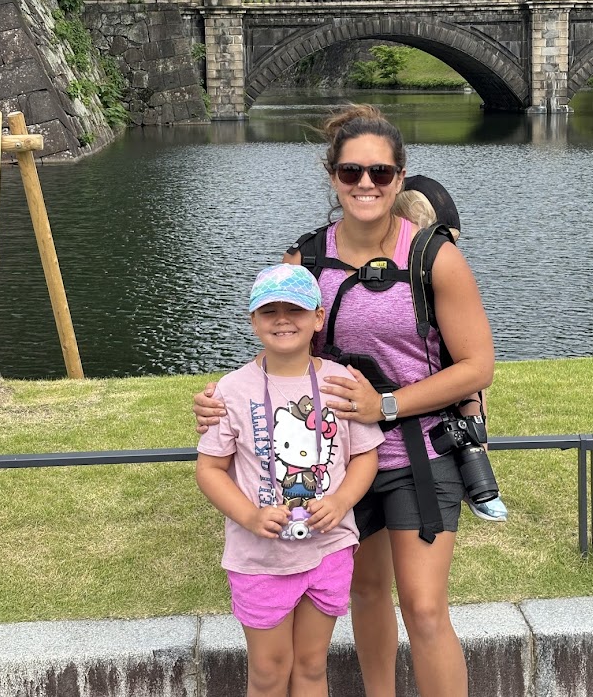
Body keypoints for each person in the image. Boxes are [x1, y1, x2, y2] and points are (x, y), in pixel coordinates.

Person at [194, 104, 495, 697]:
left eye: (380, 173)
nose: (366, 184)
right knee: (364, 593)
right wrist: (219, 401)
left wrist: (386, 406)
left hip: (418, 452)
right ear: (333, 177)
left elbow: (477, 367)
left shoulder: (434, 257)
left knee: (426, 607)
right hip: (327, 466)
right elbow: (280, 352)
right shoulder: (304, 260)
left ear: (399, 177)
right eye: (352, 172)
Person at [196, 262, 383, 697]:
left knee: (313, 666)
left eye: (295, 309)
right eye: (269, 311)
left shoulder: (342, 382)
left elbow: (365, 457)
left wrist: (341, 503)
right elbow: (209, 469)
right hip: (259, 559)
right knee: (267, 671)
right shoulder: (231, 390)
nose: (283, 320)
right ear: (252, 321)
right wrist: (249, 515)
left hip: (328, 549)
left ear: (318, 317)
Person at [395, 176, 508, 524]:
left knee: (467, 367)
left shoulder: (446, 270)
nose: (447, 253)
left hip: (438, 389)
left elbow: (474, 366)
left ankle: (475, 461)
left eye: (451, 245)